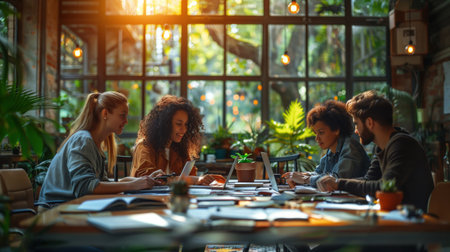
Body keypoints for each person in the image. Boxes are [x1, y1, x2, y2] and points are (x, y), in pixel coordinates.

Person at [317, 90, 434, 212]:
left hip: (415, 222)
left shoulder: (402, 145)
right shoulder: (383, 146)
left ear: (369, 122)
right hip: (395, 216)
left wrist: (338, 183)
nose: (356, 131)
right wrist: (334, 183)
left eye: (356, 124)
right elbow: (369, 180)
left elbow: (384, 187)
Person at [39, 91, 160, 204]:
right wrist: (133, 185)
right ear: (105, 113)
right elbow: (85, 187)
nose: (126, 121)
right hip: (55, 209)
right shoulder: (83, 140)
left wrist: (143, 180)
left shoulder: (95, 143)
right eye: (122, 115)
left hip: (72, 206)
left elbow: (102, 184)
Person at [131, 95, 223, 185]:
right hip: (148, 199)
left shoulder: (179, 148)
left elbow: (191, 176)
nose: (184, 129)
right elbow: (148, 178)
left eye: (186, 125)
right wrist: (194, 180)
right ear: (165, 124)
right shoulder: (145, 146)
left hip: (173, 197)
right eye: (179, 124)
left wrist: (204, 180)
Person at [282, 100, 370, 188]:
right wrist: (301, 175)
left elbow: (335, 180)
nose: (317, 138)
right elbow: (319, 173)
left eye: (321, 132)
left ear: (336, 129)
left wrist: (305, 179)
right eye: (315, 133)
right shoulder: (331, 151)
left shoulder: (351, 148)